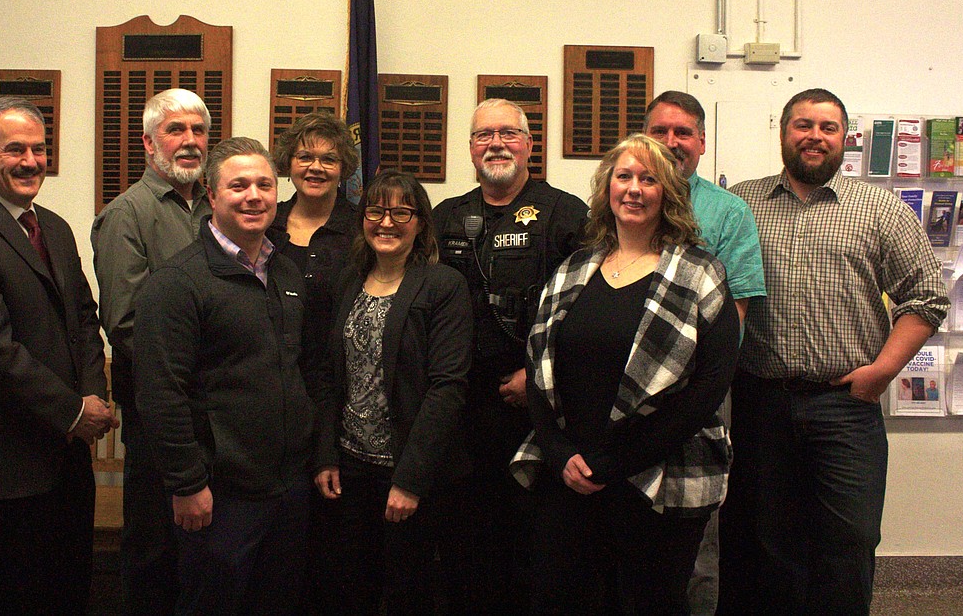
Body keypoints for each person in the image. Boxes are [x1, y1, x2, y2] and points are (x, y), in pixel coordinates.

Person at [719, 89, 949, 615]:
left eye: (827, 127)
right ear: (783, 131)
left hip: (846, 405)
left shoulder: (880, 208)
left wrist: (883, 372)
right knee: (767, 543)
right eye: (803, 125)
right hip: (762, 402)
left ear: (845, 138)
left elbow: (927, 296)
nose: (814, 136)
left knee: (850, 539)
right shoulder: (741, 205)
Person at [511, 133, 739, 614]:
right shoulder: (573, 269)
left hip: (661, 475)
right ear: (607, 189)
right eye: (624, 176)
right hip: (571, 474)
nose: (634, 189)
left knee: (647, 602)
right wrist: (558, 452)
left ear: (667, 193)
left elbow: (710, 386)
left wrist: (621, 461)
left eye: (648, 179)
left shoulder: (700, 272)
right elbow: (538, 367)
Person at [0, 97, 117, 613]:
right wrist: (73, 411)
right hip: (2, 459)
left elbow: (82, 318)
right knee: (9, 596)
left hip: (65, 457)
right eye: (15, 149)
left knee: (68, 588)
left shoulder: (52, 226)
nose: (31, 161)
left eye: (38, 149)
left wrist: (93, 392)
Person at [133, 137, 313, 615]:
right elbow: (160, 395)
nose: (253, 195)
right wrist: (187, 485)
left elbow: (297, 371)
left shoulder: (287, 275)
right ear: (212, 196)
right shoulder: (177, 284)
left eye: (264, 185)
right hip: (220, 496)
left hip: (287, 488)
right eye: (238, 186)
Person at [431, 98, 588, 611]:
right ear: (470, 149)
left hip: (536, 408)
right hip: (460, 406)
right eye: (483, 136)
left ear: (529, 145)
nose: (495, 144)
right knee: (467, 541)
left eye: (508, 134)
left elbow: (591, 312)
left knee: (533, 542)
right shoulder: (446, 217)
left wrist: (541, 376)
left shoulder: (566, 215)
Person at [311, 170, 472, 614]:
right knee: (351, 588)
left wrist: (409, 480)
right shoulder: (347, 281)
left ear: (420, 222)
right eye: (376, 211)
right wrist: (325, 454)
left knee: (408, 592)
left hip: (409, 474)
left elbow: (447, 389)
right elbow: (328, 374)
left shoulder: (444, 286)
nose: (387, 222)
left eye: (401, 212)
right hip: (350, 469)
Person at [643, 90, 766, 614]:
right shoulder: (620, 195)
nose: (671, 143)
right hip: (627, 391)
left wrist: (702, 383)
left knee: (695, 531)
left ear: (701, 142)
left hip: (700, 393)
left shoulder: (727, 211)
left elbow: (737, 308)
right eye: (660, 132)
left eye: (683, 132)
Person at [91, 88, 212, 614]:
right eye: (175, 131)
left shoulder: (219, 206)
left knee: (206, 552)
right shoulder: (126, 216)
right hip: (160, 411)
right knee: (155, 547)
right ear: (148, 142)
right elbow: (128, 324)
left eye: (199, 131)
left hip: (218, 411)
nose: (189, 142)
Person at [268, 112, 360, 390]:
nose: (315, 167)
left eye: (329, 159)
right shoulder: (268, 225)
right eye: (305, 157)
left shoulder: (361, 230)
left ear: (343, 168)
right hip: (273, 376)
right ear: (289, 163)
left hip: (340, 381)